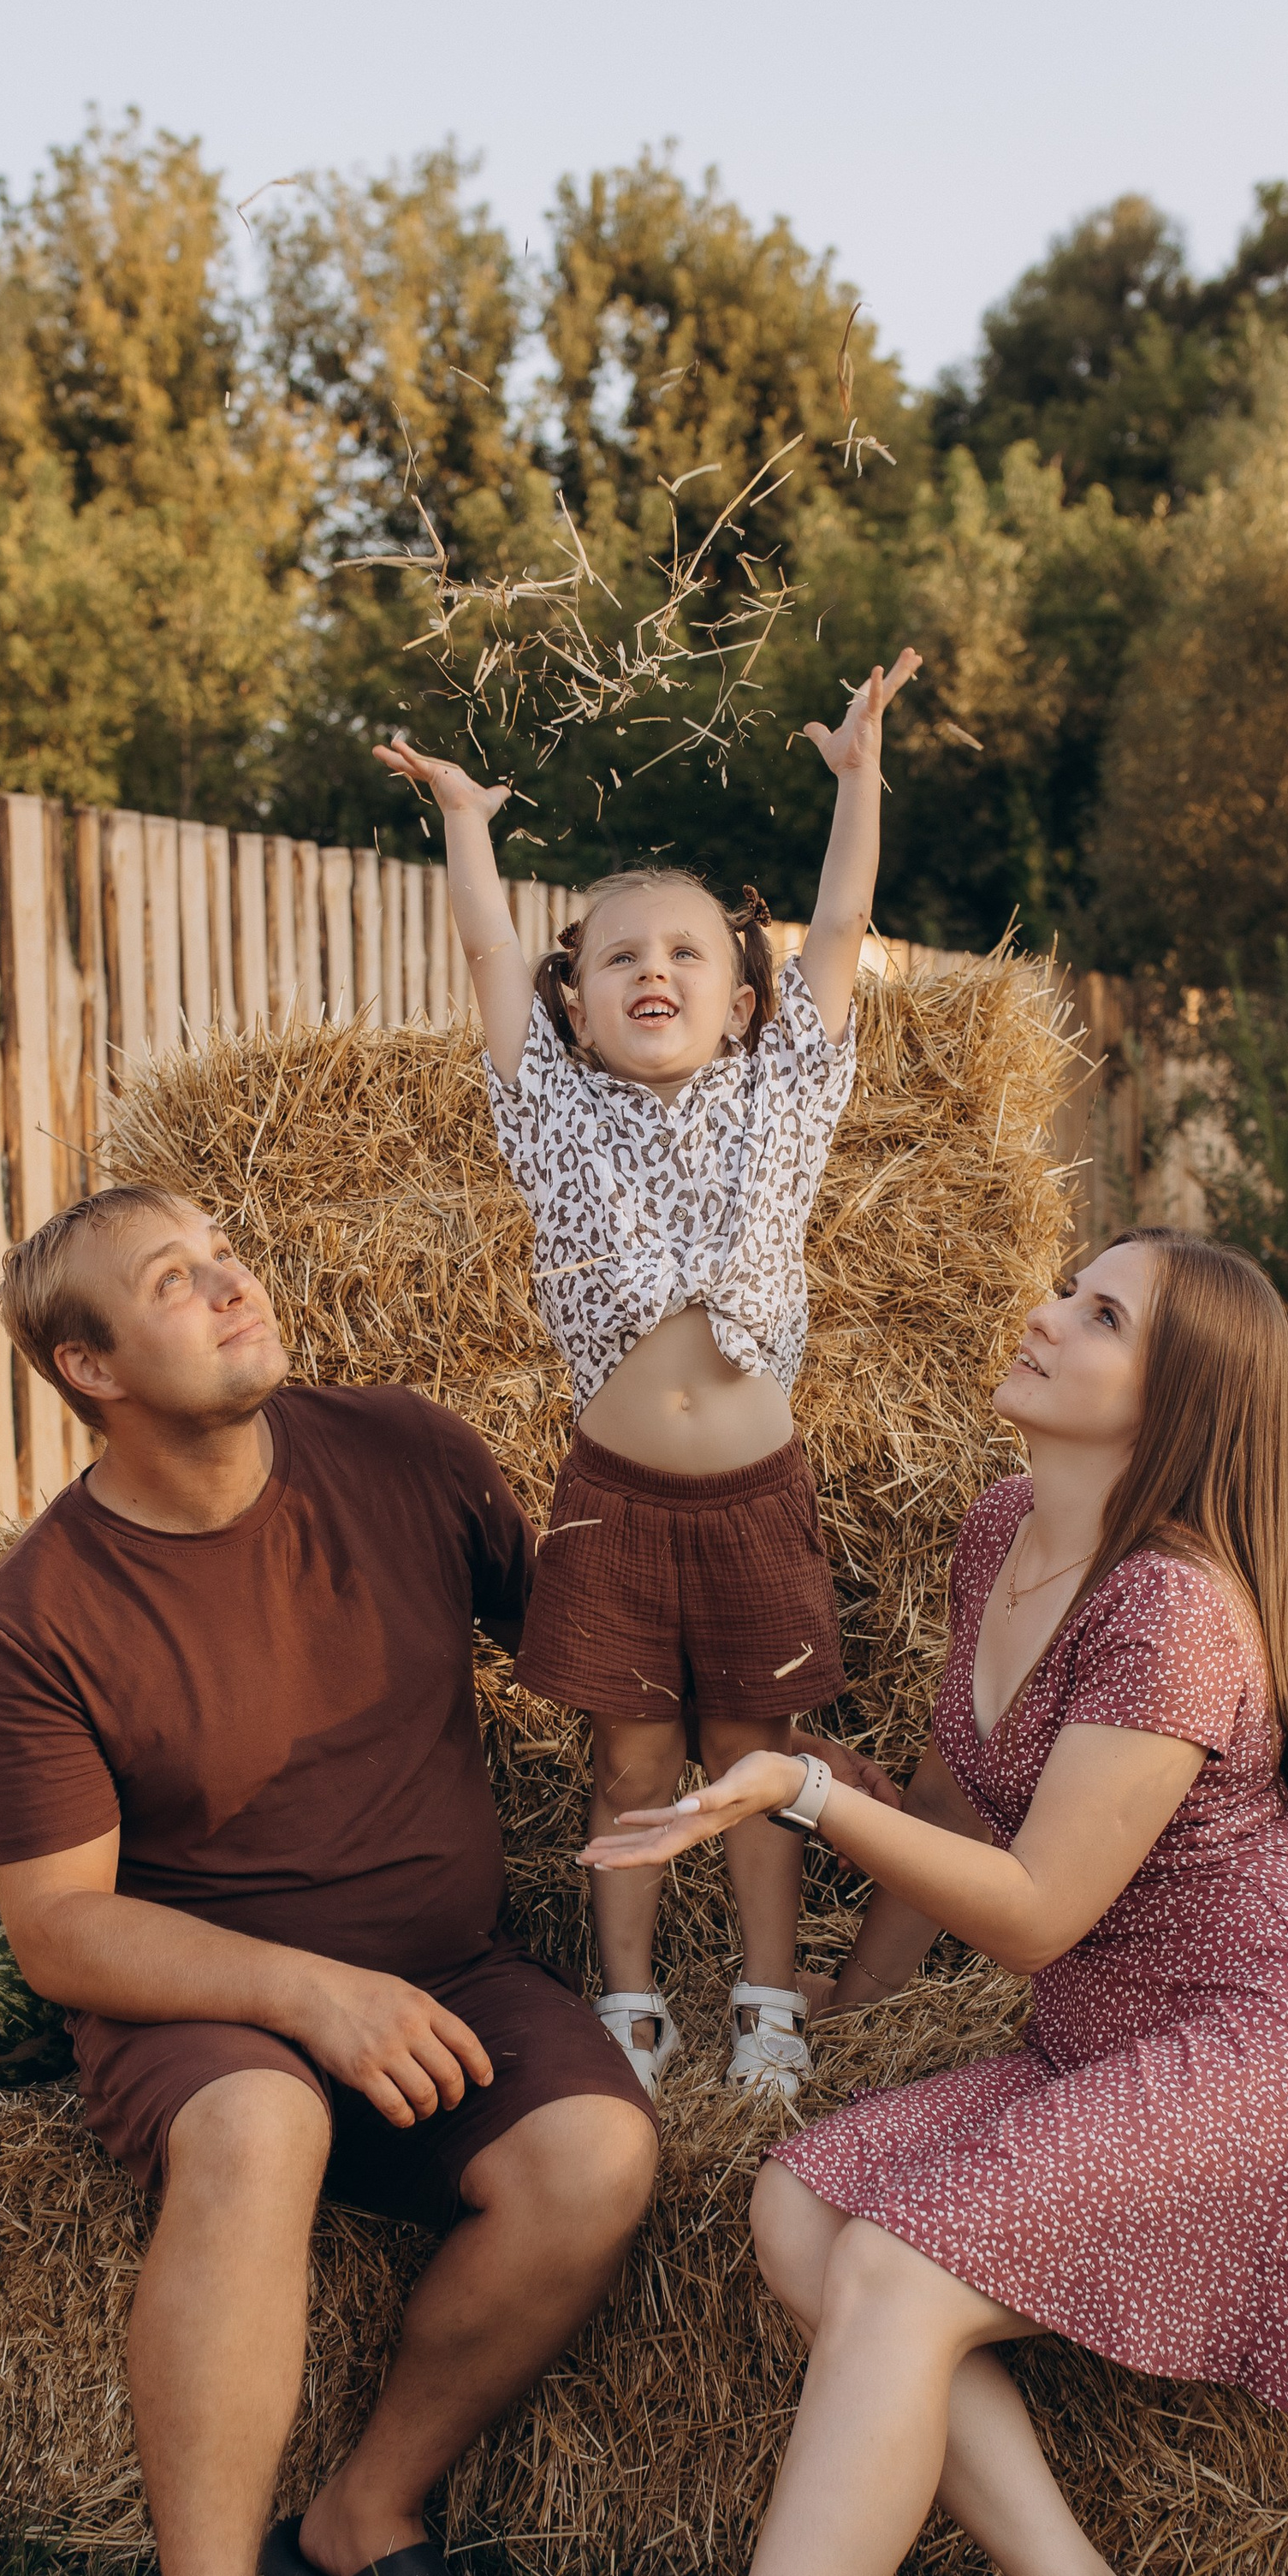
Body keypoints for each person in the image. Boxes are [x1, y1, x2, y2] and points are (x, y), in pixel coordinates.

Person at [489, 1229, 1288, 2576]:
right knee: (799, 2206)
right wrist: (850, 1966)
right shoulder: (1002, 1529)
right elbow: (956, 1789)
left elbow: (1039, 1907)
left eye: (1098, 1315)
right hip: (1104, 2042)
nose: (1041, 1312)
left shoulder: (1170, 1609)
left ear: (1175, 1400)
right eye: (1062, 1284)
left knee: (897, 2274)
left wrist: (792, 1790)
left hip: (1267, 2048)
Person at [0, 1181, 665, 2576]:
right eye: (171, 1282)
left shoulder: (404, 1454)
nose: (228, 1282)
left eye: (224, 1251)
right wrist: (303, 1994)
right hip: (199, 2009)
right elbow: (61, 1931)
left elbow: (595, 1656)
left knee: (600, 2158)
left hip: (446, 1970)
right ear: (86, 1366)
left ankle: (362, 2511)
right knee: (263, 2121)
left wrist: (765, 1736)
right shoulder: (35, 1618)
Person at [377, 651, 920, 2105]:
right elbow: (493, 958)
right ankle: (628, 2007)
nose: (655, 973)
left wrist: (859, 781)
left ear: (743, 1002)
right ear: (578, 1006)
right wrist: (467, 821)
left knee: (755, 1758)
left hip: (752, 1497)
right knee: (628, 1764)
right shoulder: (549, 1109)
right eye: (619, 959)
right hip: (614, 1500)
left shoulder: (785, 1090)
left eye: (687, 953)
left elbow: (847, 922)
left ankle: (765, 2007)